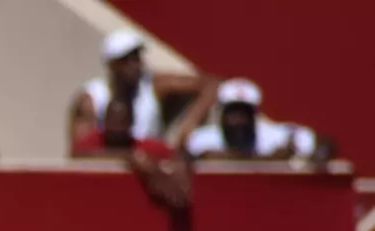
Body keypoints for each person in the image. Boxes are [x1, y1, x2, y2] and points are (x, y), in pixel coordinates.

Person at [69, 28, 217, 153]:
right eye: (126, 60)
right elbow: (81, 152)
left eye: (137, 57)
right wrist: (131, 159)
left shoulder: (154, 86)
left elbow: (211, 85)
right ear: (111, 64)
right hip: (109, 168)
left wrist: (191, 121)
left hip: (152, 166)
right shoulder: (92, 99)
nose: (134, 65)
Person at [185, 79, 323, 163]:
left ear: (254, 115)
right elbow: (202, 157)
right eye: (232, 113)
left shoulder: (274, 135)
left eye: (244, 113)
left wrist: (310, 155)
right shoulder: (203, 137)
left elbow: (322, 144)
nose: (238, 120)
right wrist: (271, 160)